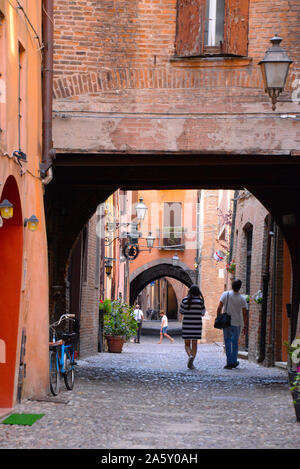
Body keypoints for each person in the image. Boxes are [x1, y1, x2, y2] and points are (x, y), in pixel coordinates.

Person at [216, 279, 248, 369]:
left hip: (226, 322)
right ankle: (234, 361)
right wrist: (245, 324)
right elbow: (245, 313)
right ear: (239, 287)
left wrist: (219, 317)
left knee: (227, 341)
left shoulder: (226, 294)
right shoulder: (242, 298)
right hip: (237, 323)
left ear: (232, 286)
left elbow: (219, 307)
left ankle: (229, 362)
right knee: (234, 343)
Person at [179, 284, 206, 369]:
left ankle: (190, 356)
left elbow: (181, 311)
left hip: (187, 324)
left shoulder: (184, 300)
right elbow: (203, 313)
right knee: (194, 343)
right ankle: (192, 360)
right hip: (197, 325)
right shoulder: (200, 301)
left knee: (187, 344)